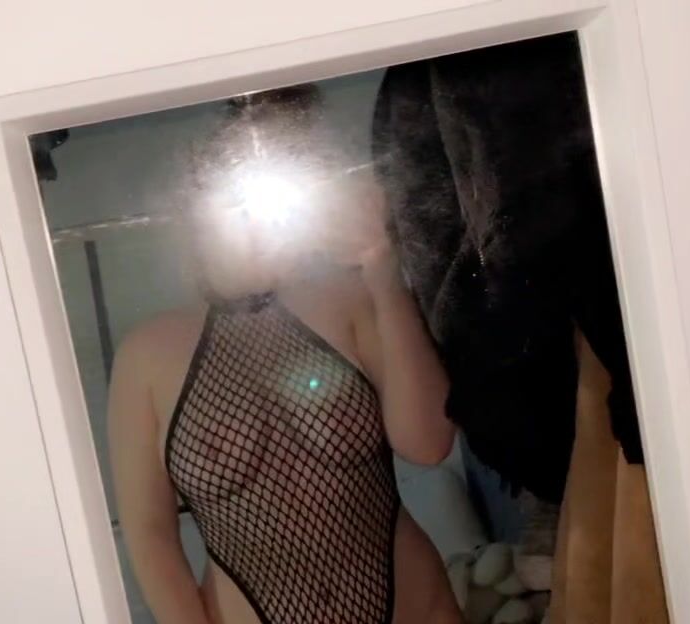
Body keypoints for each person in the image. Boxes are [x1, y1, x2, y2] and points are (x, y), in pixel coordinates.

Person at [107, 84, 461, 624]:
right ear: (195, 209)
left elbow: (429, 445)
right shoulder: (147, 354)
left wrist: (382, 270)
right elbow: (149, 532)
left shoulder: (353, 299)